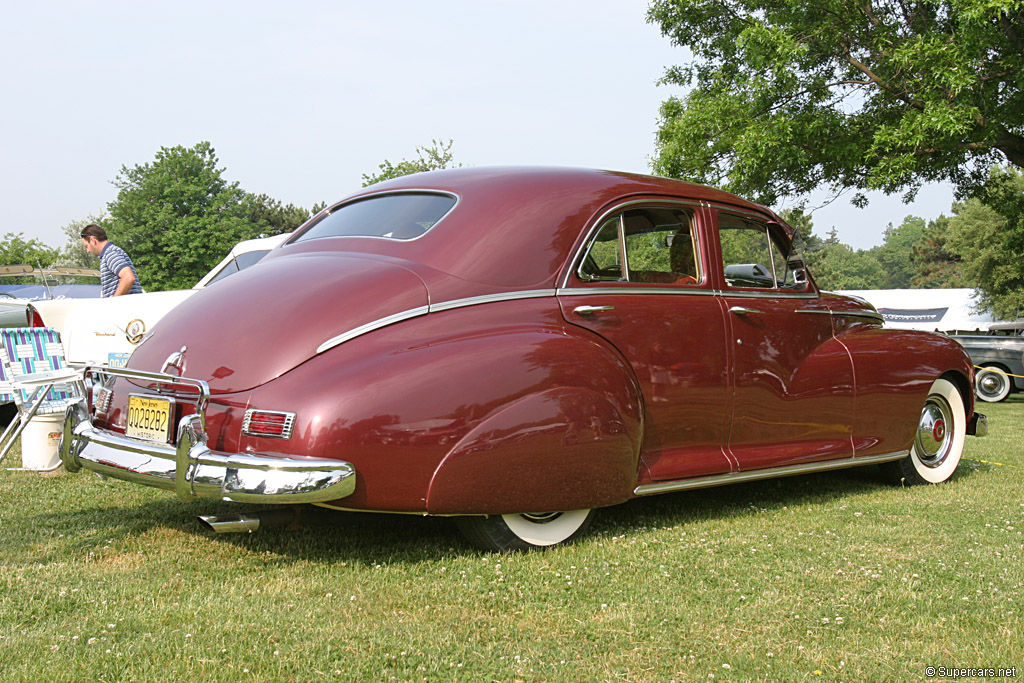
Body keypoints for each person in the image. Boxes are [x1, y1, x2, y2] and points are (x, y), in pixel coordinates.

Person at [80, 224, 143, 297]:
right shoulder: (109, 253)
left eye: (86, 246)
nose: (87, 251)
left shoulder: (111, 253)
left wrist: (112, 302)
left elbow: (128, 278)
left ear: (93, 241)